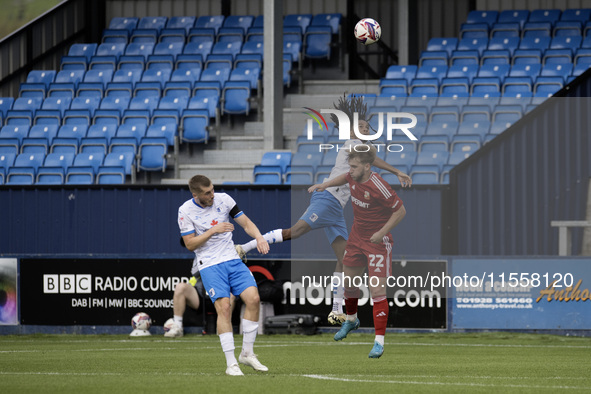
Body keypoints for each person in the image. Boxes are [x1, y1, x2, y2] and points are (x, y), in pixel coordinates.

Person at [236, 95, 411, 325]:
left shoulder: (361, 148)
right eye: (359, 126)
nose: (363, 129)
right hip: (327, 199)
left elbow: (368, 162)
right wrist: (397, 171)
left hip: (336, 207)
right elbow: (371, 162)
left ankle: (336, 309)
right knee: (296, 231)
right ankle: (246, 246)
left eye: (366, 127)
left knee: (346, 258)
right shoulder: (352, 145)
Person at [308, 144, 406, 358]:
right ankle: (352, 320)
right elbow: (344, 177)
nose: (350, 170)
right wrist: (324, 185)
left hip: (378, 242)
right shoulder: (352, 176)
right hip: (356, 239)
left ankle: (379, 342)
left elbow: (400, 211)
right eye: (350, 166)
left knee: (377, 291)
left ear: (367, 166)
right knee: (349, 283)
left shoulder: (379, 185)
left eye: (354, 166)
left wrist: (382, 233)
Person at [177, 174, 270, 376]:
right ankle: (231, 364)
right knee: (225, 307)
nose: (212, 194)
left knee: (253, 299)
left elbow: (246, 223)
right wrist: (213, 230)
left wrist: (260, 237)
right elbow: (190, 244)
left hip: (232, 259)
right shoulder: (185, 211)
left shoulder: (225, 199)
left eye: (212, 189)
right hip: (209, 264)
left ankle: (247, 353)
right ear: (196, 194)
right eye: (207, 192)